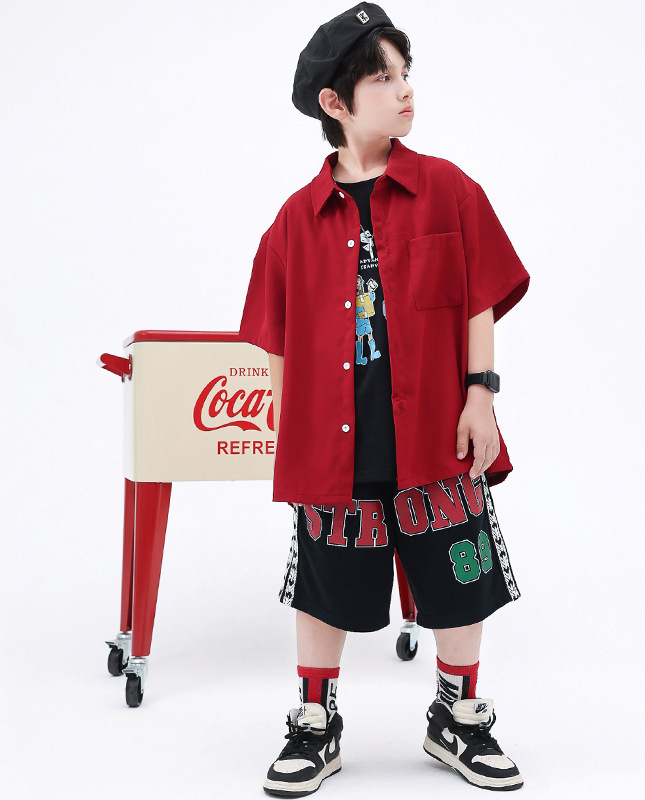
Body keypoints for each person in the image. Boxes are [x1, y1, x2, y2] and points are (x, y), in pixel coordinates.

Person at [239, 3, 530, 795]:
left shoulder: (447, 189)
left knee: (459, 571)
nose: (405, 91)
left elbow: (477, 298)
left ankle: (458, 716)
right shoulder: (295, 220)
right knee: (325, 581)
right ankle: (315, 720)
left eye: (407, 74)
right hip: (339, 445)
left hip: (437, 432)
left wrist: (481, 395)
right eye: (383, 78)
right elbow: (273, 337)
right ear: (335, 102)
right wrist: (293, 436)